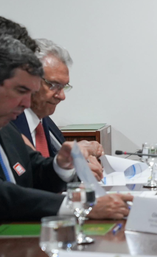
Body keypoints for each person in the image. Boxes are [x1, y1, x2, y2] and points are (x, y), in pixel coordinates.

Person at [0, 35, 130, 222]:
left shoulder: (7, 127)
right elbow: (7, 194)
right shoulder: (12, 121)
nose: (27, 103)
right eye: (21, 90)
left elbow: (33, 170)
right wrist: (79, 205)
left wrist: (63, 164)